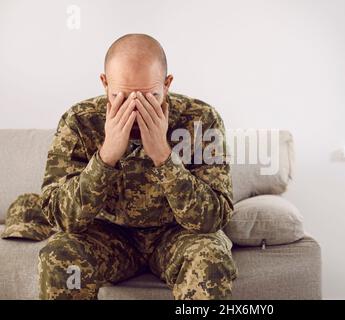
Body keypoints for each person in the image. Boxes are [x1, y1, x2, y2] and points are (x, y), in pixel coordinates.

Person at [38, 33, 237, 300]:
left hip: (178, 234)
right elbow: (60, 217)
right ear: (105, 83)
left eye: (149, 97)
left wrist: (165, 159)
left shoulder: (201, 120)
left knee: (210, 259)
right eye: (121, 96)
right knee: (59, 255)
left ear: (166, 85)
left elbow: (216, 217)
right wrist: (106, 156)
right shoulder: (79, 121)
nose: (135, 111)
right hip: (109, 235)